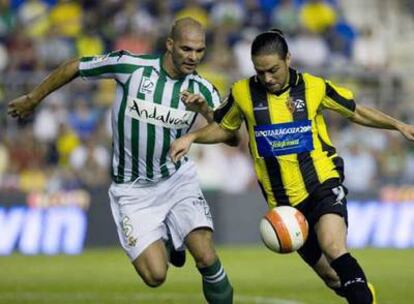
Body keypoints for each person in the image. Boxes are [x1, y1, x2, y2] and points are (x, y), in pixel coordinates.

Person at [170, 29, 414, 304]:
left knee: (334, 247)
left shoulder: (313, 86)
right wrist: (193, 137)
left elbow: (355, 110)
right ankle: (361, 292)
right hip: (285, 206)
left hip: (322, 182)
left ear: (288, 58)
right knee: (332, 277)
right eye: (260, 72)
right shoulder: (242, 92)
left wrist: (398, 125)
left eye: (273, 70)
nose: (267, 78)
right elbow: (224, 128)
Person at [8, 18, 235, 304]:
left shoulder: (203, 89)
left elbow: (230, 135)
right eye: (187, 49)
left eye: (199, 50)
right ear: (170, 44)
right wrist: (33, 97)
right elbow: (76, 66)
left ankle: (181, 239)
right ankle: (167, 236)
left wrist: (200, 121)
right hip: (132, 190)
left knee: (205, 255)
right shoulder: (131, 67)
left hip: (176, 180)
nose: (193, 57)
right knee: (155, 276)